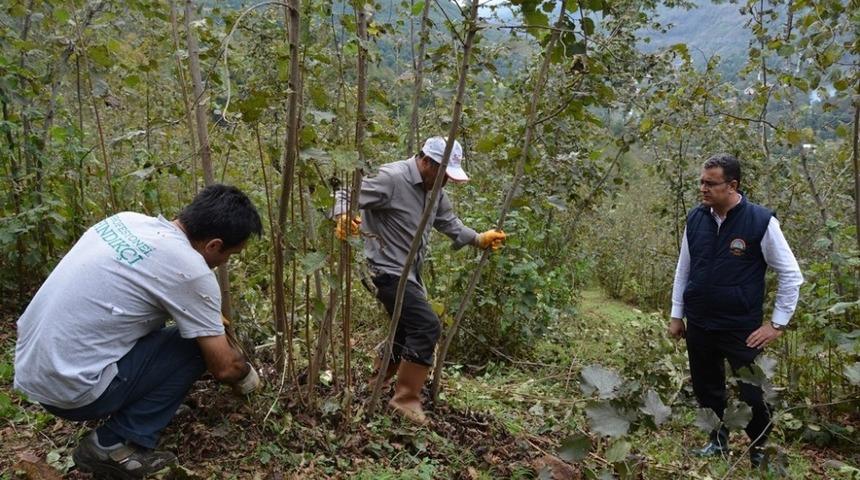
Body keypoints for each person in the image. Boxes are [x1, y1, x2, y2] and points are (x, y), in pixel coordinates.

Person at [14, 184, 264, 479]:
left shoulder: (126, 220)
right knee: (195, 348)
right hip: (71, 391)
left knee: (157, 322)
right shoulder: (191, 270)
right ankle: (113, 443)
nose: (225, 262)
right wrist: (248, 378)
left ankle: (134, 399)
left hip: (34, 370)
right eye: (230, 255)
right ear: (213, 245)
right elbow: (223, 367)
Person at [334, 136, 506, 425]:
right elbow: (345, 195)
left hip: (409, 274)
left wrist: (478, 239)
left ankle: (378, 384)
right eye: (442, 174)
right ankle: (405, 400)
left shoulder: (435, 188)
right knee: (426, 325)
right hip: (384, 270)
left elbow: (448, 222)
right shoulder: (392, 177)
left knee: (405, 329)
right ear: (426, 161)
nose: (445, 182)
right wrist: (342, 217)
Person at [667, 154, 803, 468]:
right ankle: (716, 442)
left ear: (732, 185)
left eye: (710, 183)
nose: (703, 188)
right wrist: (677, 314)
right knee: (706, 387)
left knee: (752, 393)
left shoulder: (760, 221)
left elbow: (791, 274)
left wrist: (777, 324)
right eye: (701, 181)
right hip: (700, 321)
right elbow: (683, 269)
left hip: (741, 327)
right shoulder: (696, 218)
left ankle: (758, 449)